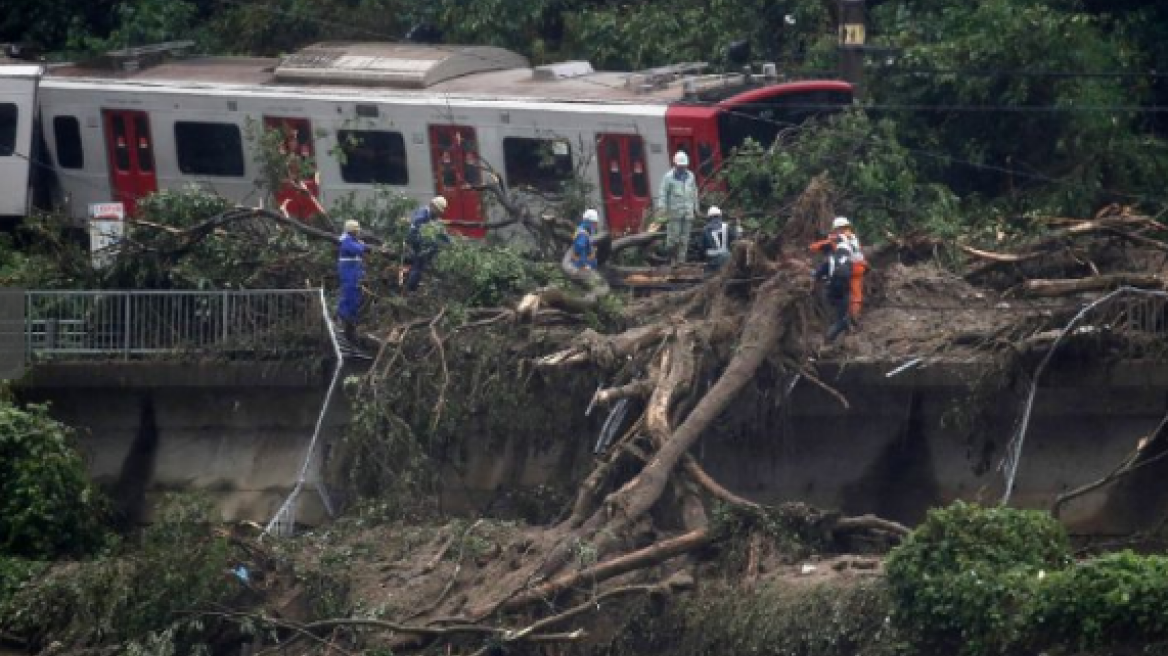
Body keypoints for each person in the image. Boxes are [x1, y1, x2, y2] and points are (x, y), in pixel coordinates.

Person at [657, 150, 699, 264]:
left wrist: (696, 208)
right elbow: (663, 193)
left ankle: (681, 262)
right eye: (680, 166)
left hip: (688, 213)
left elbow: (694, 192)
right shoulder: (668, 177)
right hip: (674, 213)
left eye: (684, 165)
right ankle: (672, 262)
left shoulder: (691, 176)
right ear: (675, 164)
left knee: (684, 239)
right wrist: (662, 209)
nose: (682, 168)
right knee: (673, 238)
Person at [404, 196, 449, 292]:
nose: (439, 213)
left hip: (423, 243)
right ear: (432, 206)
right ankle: (410, 289)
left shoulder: (433, 217)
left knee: (431, 252)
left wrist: (449, 243)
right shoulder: (422, 215)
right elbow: (413, 232)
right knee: (419, 264)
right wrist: (416, 245)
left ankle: (416, 284)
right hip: (416, 243)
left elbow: (441, 232)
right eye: (438, 210)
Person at [814, 241, 855, 342]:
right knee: (841, 318)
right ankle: (834, 335)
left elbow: (817, 274)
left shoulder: (830, 259)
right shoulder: (850, 262)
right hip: (844, 293)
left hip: (829, 291)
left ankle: (828, 336)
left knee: (829, 316)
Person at [336, 219, 367, 342]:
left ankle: (350, 323)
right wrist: (362, 245)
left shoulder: (351, 240)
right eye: (356, 231)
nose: (358, 233)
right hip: (349, 273)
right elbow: (358, 250)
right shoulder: (346, 240)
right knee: (349, 296)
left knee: (355, 297)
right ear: (352, 231)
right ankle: (345, 319)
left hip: (354, 272)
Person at [831, 216, 867, 321]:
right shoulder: (853, 236)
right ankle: (854, 315)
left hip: (851, 267)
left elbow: (829, 244)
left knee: (841, 288)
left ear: (838, 228)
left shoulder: (840, 237)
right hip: (860, 266)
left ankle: (845, 314)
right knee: (856, 293)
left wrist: (812, 247)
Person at [701, 206, 738, 272]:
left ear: (709, 217)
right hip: (727, 257)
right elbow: (736, 240)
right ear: (720, 216)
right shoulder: (727, 226)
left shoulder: (705, 229)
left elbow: (702, 248)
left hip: (713, 260)